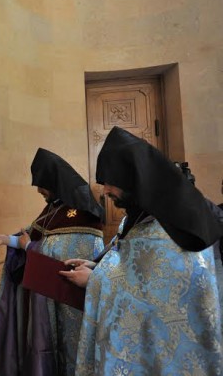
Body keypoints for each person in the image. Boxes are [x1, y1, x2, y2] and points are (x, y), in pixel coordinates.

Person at [65, 126, 223, 376]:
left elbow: (160, 296)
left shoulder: (172, 228)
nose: (104, 191)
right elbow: (129, 266)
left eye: (109, 183)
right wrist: (97, 266)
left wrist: (95, 280)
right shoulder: (138, 216)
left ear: (133, 180)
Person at [0, 148, 104, 376]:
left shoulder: (83, 215)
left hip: (68, 304)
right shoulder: (54, 207)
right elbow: (34, 235)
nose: (39, 191)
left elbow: (60, 255)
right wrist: (5, 239)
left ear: (54, 182)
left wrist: (29, 247)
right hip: (44, 299)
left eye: (42, 185)